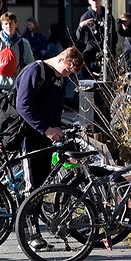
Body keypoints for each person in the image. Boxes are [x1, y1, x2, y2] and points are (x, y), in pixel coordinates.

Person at [12, 44, 84, 192]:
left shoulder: (60, 78)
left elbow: (57, 106)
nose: (67, 75)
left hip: (46, 135)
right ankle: (26, 213)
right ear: (61, 59)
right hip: (28, 132)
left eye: (71, 73)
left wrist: (56, 127)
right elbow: (23, 105)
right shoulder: (35, 70)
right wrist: (45, 129)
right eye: (67, 70)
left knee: (43, 182)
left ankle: (36, 212)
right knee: (32, 183)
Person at [0, 10, 36, 95]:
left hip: (16, 88)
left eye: (11, 23)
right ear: (2, 26)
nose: (9, 26)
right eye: (6, 24)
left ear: (16, 24)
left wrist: (30, 84)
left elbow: (31, 66)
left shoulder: (23, 44)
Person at [75, 0, 109, 74]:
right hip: (91, 47)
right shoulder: (86, 16)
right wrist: (82, 25)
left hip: (105, 47)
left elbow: (113, 34)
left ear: (100, 0)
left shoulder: (107, 15)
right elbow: (79, 37)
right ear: (89, 1)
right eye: (93, 0)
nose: (95, 2)